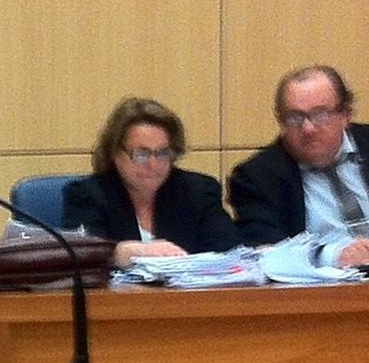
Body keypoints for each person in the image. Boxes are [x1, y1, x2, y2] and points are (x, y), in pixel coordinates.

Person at [227, 65, 369, 269]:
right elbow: (266, 253)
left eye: (320, 114)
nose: (308, 128)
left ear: (346, 114)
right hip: (322, 295)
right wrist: (333, 256)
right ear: (280, 120)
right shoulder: (257, 177)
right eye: (294, 117)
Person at [62, 96, 239, 268]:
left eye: (163, 153)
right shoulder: (87, 195)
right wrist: (125, 252)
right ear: (115, 153)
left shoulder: (198, 191)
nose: (154, 164)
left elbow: (229, 253)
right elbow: (82, 255)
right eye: (141, 154)